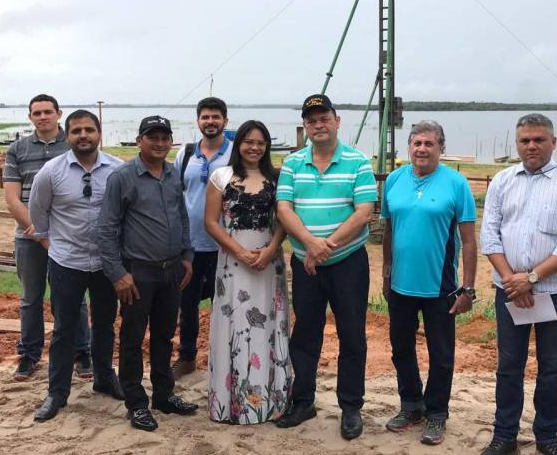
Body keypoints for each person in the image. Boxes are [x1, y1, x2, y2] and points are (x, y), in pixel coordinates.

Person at [479, 113, 557, 455]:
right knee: (509, 366)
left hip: (554, 293)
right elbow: (490, 235)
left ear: (553, 142)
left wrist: (530, 278)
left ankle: (547, 437)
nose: (531, 146)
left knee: (552, 368)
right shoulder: (502, 181)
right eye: (525, 140)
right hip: (510, 292)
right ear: (517, 143)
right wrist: (514, 281)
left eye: (539, 139)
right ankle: (504, 436)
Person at [275, 94, 377, 440]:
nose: (318, 125)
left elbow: (363, 211)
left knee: (352, 335)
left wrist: (324, 246)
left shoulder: (358, 161)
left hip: (348, 263)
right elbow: (284, 208)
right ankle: (303, 401)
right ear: (305, 126)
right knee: (305, 333)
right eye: (311, 120)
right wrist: (310, 244)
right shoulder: (292, 163)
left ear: (337, 120)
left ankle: (350, 407)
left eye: (323, 118)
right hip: (306, 265)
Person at [98, 115, 198, 432]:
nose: (159, 143)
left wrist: (187, 256)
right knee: (131, 339)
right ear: (140, 140)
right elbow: (106, 229)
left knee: (165, 336)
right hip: (136, 274)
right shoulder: (123, 177)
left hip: (171, 271)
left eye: (164, 137)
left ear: (171, 141)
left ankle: (163, 395)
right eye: (152, 137)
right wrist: (116, 273)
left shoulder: (172, 173)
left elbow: (182, 217)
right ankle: (137, 403)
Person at [381, 120, 477, 445]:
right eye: (416, 143)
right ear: (409, 146)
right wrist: (386, 271)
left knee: (442, 354)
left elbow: (468, 240)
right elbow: (389, 230)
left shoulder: (456, 184)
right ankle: (411, 406)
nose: (422, 149)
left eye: (429, 144)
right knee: (401, 348)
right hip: (400, 285)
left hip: (441, 286)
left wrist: (468, 287)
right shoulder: (394, 180)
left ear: (441, 148)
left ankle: (437, 414)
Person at [28, 110, 125, 421]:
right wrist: (51, 245)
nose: (83, 135)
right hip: (66, 263)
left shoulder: (118, 170)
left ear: (99, 134)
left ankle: (104, 377)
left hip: (106, 264)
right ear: (67, 136)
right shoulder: (50, 172)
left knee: (105, 324)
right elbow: (38, 217)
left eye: (89, 130)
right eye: (76, 131)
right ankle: (57, 393)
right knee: (64, 329)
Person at [204, 120, 292, 424]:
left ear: (267, 147)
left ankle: (271, 401)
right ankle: (230, 404)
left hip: (269, 263)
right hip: (232, 262)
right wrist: (239, 251)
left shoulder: (278, 178)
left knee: (268, 325)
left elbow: (284, 220)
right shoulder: (221, 176)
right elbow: (211, 222)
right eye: (248, 141)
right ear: (238, 143)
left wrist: (270, 251)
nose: (254, 147)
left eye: (261, 142)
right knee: (234, 323)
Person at [3, 94, 91, 381]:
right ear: (30, 117)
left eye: (47, 112)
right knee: (31, 298)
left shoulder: (73, 143)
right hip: (28, 237)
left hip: (68, 237)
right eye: (37, 113)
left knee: (73, 297)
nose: (42, 117)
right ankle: (29, 354)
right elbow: (13, 199)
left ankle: (82, 351)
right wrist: (39, 233)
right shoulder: (17, 149)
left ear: (58, 113)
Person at [171, 97, 233, 379]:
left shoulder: (235, 154)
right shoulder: (185, 154)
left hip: (225, 245)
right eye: (205, 117)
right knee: (188, 305)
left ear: (225, 121)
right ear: (198, 121)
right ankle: (187, 356)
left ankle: (228, 357)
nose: (211, 122)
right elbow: (174, 194)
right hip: (191, 245)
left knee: (228, 303)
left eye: (216, 117)